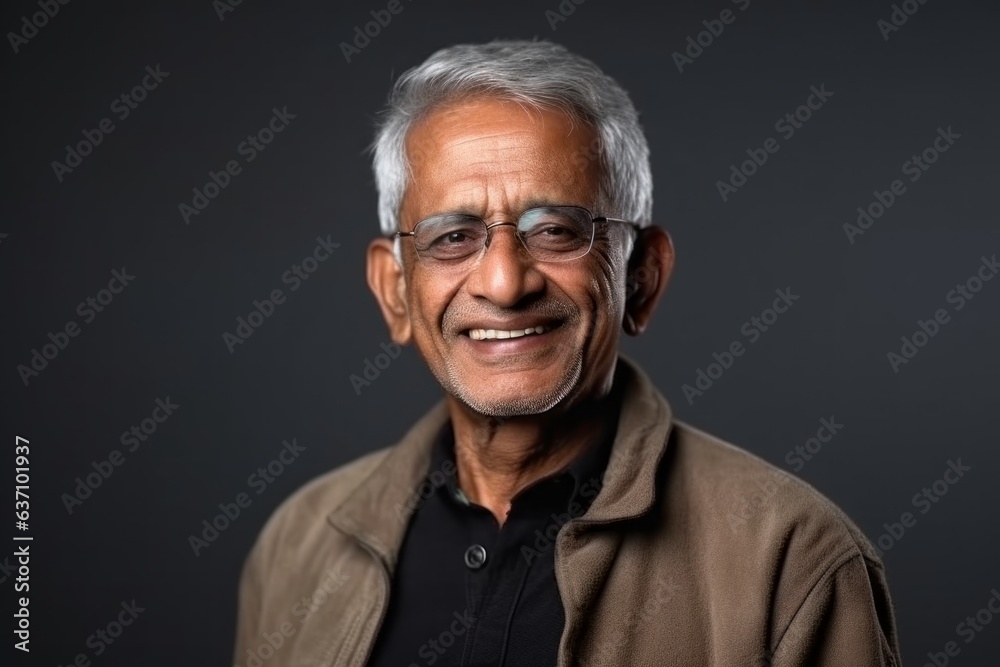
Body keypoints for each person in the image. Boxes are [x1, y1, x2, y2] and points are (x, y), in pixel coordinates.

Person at [232, 39, 901, 666]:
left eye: (555, 230)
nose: (504, 281)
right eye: (453, 236)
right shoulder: (298, 546)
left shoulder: (793, 559)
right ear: (396, 290)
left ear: (641, 276)